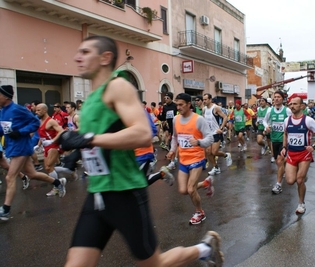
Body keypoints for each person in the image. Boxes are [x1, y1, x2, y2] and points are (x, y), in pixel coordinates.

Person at [60, 35, 223, 266]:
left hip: (124, 191)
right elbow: (98, 143)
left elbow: (142, 133)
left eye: (85, 52)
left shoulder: (117, 87)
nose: (77, 57)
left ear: (105, 57)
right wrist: (74, 151)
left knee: (153, 263)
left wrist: (89, 138)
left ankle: (203, 249)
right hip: (97, 194)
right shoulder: (90, 100)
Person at [0, 85, 66, 221]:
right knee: (32, 174)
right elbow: (4, 130)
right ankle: (57, 183)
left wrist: (20, 132)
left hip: (21, 147)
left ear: (6, 96)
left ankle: (5, 210)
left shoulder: (17, 109)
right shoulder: (2, 111)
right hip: (13, 147)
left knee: (10, 177)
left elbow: (35, 122)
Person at [165, 93, 215, 225]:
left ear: (189, 105)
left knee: (191, 189)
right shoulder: (176, 119)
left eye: (181, 105)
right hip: (183, 160)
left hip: (197, 158)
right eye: (177, 105)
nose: (178, 107)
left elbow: (210, 138)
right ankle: (205, 183)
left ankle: (199, 212)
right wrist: (172, 150)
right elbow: (175, 137)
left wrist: (198, 142)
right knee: (183, 190)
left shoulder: (198, 120)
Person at [281, 97, 315, 214]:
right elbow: (285, 134)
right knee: (290, 181)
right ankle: (302, 177)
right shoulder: (287, 121)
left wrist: (313, 146)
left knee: (299, 180)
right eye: (290, 104)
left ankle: (301, 204)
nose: (292, 106)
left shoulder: (308, 120)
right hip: (291, 154)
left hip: (304, 154)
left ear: (301, 106)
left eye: (295, 104)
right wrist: (284, 147)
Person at [263, 91, 292, 194]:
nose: (276, 99)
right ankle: (284, 168)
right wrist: (266, 127)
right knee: (278, 162)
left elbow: (292, 121)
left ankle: (278, 185)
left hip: (284, 140)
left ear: (283, 99)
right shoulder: (270, 110)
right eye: (275, 97)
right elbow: (264, 121)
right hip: (274, 139)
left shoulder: (287, 110)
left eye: (278, 97)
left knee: (279, 161)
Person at [36, 103, 66, 196]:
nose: (36, 112)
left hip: (54, 146)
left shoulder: (51, 121)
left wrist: (52, 141)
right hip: (46, 147)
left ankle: (57, 186)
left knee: (49, 166)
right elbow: (42, 135)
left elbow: (61, 131)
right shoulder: (40, 121)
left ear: (45, 110)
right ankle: (59, 182)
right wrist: (38, 145)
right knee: (48, 168)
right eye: (36, 110)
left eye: (38, 110)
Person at [202, 93, 232, 175]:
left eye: (205, 99)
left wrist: (221, 128)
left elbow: (225, 117)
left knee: (214, 152)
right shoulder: (204, 109)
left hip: (216, 132)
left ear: (210, 99)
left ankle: (226, 155)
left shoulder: (215, 108)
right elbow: (204, 120)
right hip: (208, 133)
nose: (204, 101)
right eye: (203, 99)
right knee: (208, 152)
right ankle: (216, 168)